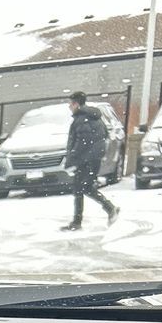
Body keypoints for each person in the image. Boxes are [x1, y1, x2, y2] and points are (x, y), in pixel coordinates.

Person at [61, 92, 119, 231]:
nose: (69, 106)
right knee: (82, 188)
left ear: (76, 104)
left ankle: (109, 209)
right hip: (92, 159)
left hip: (86, 160)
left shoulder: (81, 120)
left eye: (71, 103)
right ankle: (79, 220)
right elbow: (103, 135)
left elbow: (82, 142)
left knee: (82, 188)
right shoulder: (94, 117)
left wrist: (73, 157)